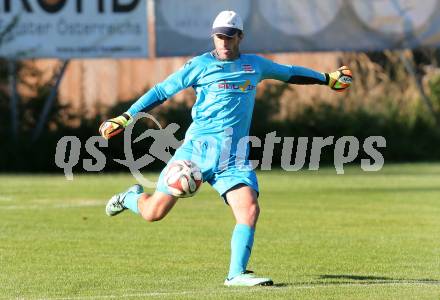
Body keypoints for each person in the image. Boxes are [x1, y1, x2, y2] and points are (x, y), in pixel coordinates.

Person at [99, 10, 352, 286]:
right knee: (153, 213)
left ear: (240, 37)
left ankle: (236, 274)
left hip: (233, 158)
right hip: (194, 154)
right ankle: (129, 198)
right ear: (213, 36)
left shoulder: (254, 65)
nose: (224, 42)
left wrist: (327, 78)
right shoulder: (200, 65)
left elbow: (290, 74)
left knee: (250, 209)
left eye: (230, 37)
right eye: (219, 36)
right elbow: (161, 92)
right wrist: (125, 117)